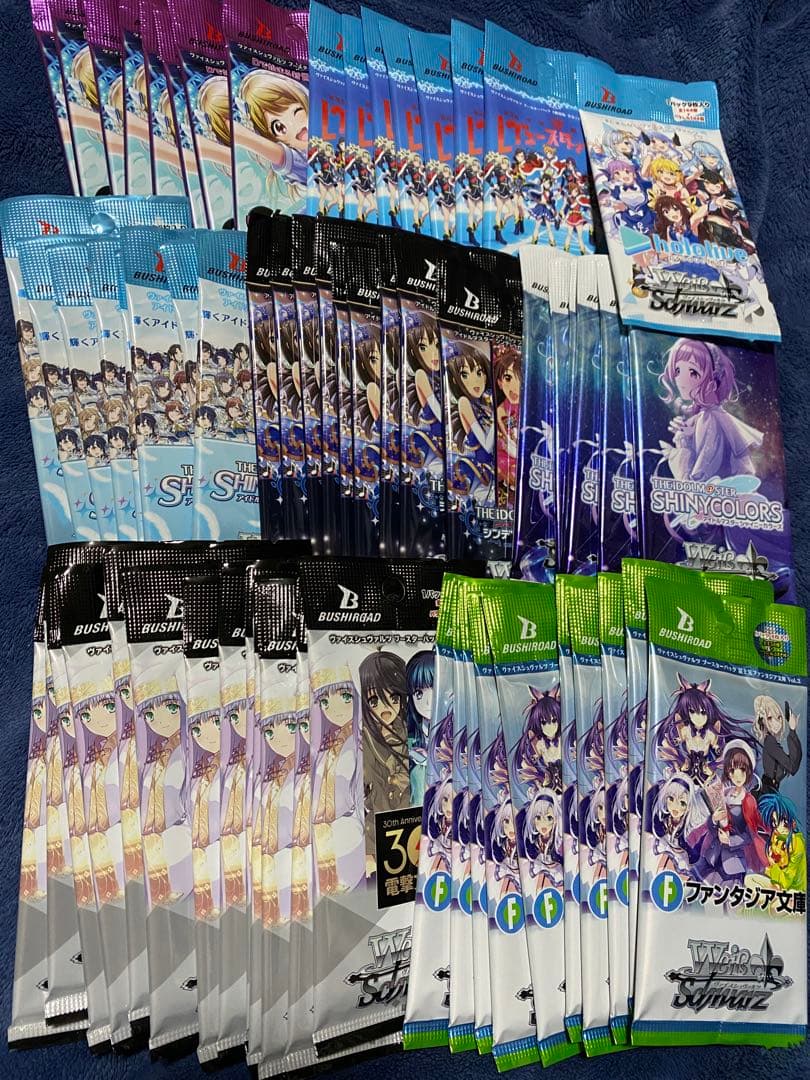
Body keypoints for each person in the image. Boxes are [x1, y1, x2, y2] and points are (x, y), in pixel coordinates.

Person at [752, 695, 802, 796]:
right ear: (762, 721)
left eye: (779, 717)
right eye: (770, 718)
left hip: (771, 791)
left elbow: (792, 764)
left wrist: (792, 732)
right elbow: (792, 766)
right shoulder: (770, 742)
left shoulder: (771, 742)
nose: (776, 722)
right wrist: (792, 731)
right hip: (767, 792)